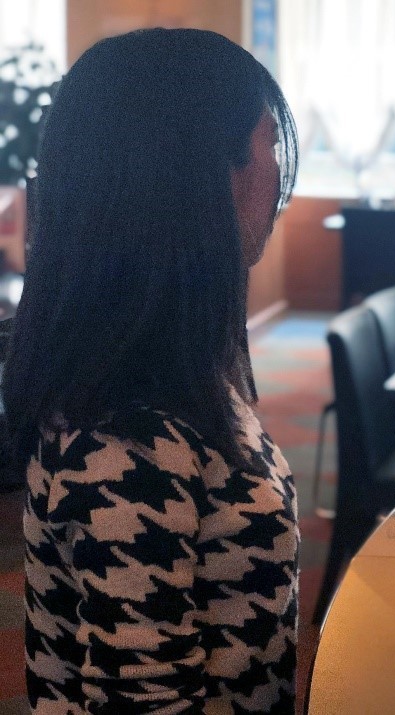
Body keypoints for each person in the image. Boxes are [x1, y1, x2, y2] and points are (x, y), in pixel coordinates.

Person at [5, 29, 300, 713]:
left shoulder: (169, 367)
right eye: (268, 145)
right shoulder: (127, 439)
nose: (280, 178)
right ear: (203, 179)